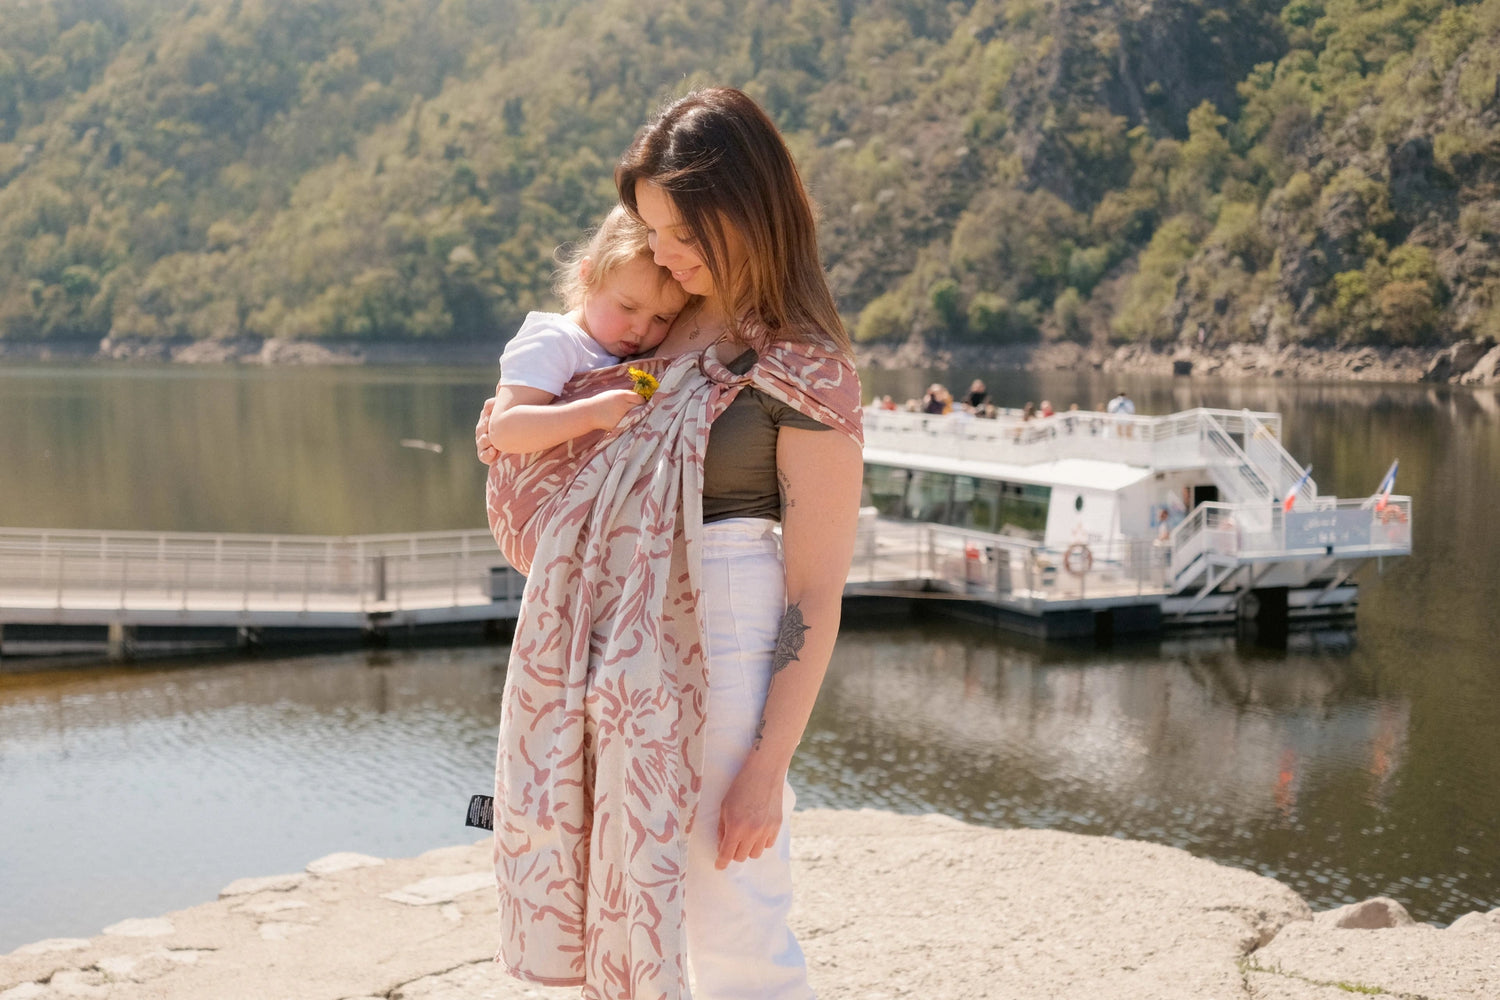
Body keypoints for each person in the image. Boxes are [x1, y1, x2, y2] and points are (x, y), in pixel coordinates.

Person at [475, 87, 863, 1000]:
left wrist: (766, 770)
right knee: (626, 894)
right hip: (604, 653)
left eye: (682, 235)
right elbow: (533, 427)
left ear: (743, 213)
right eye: (650, 233)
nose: (664, 256)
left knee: (735, 919)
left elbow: (814, 592)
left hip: (723, 643)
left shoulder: (804, 366)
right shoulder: (648, 320)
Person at [485, 205, 689, 455]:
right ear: (588, 274)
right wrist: (591, 415)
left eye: (661, 318)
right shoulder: (555, 341)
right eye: (627, 307)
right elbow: (504, 431)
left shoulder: (620, 348)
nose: (641, 329)